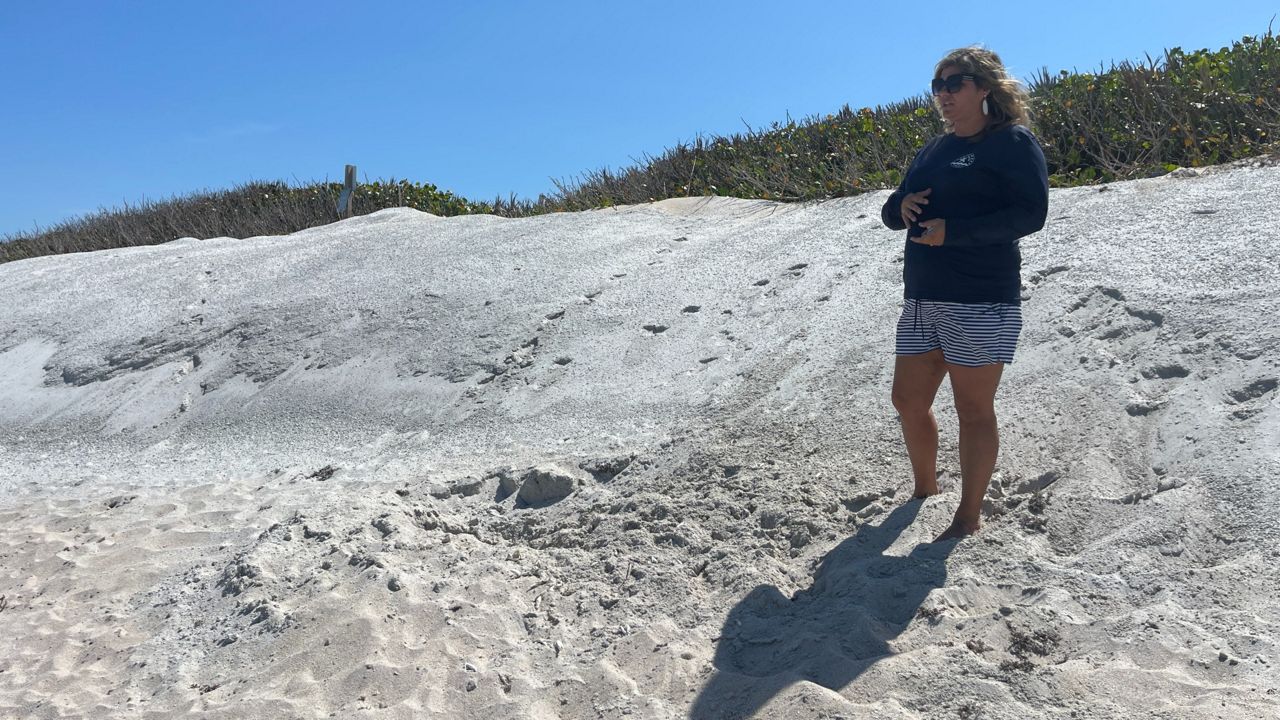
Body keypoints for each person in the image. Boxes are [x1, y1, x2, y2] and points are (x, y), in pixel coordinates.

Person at [879, 47, 1049, 542]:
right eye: (938, 85)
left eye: (955, 83)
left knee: (973, 409)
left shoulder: (1013, 143)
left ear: (985, 88)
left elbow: (1029, 215)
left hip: (981, 298)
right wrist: (901, 204)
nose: (944, 94)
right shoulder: (933, 149)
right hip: (924, 296)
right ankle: (925, 490)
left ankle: (968, 515)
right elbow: (894, 209)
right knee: (907, 399)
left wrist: (952, 232)